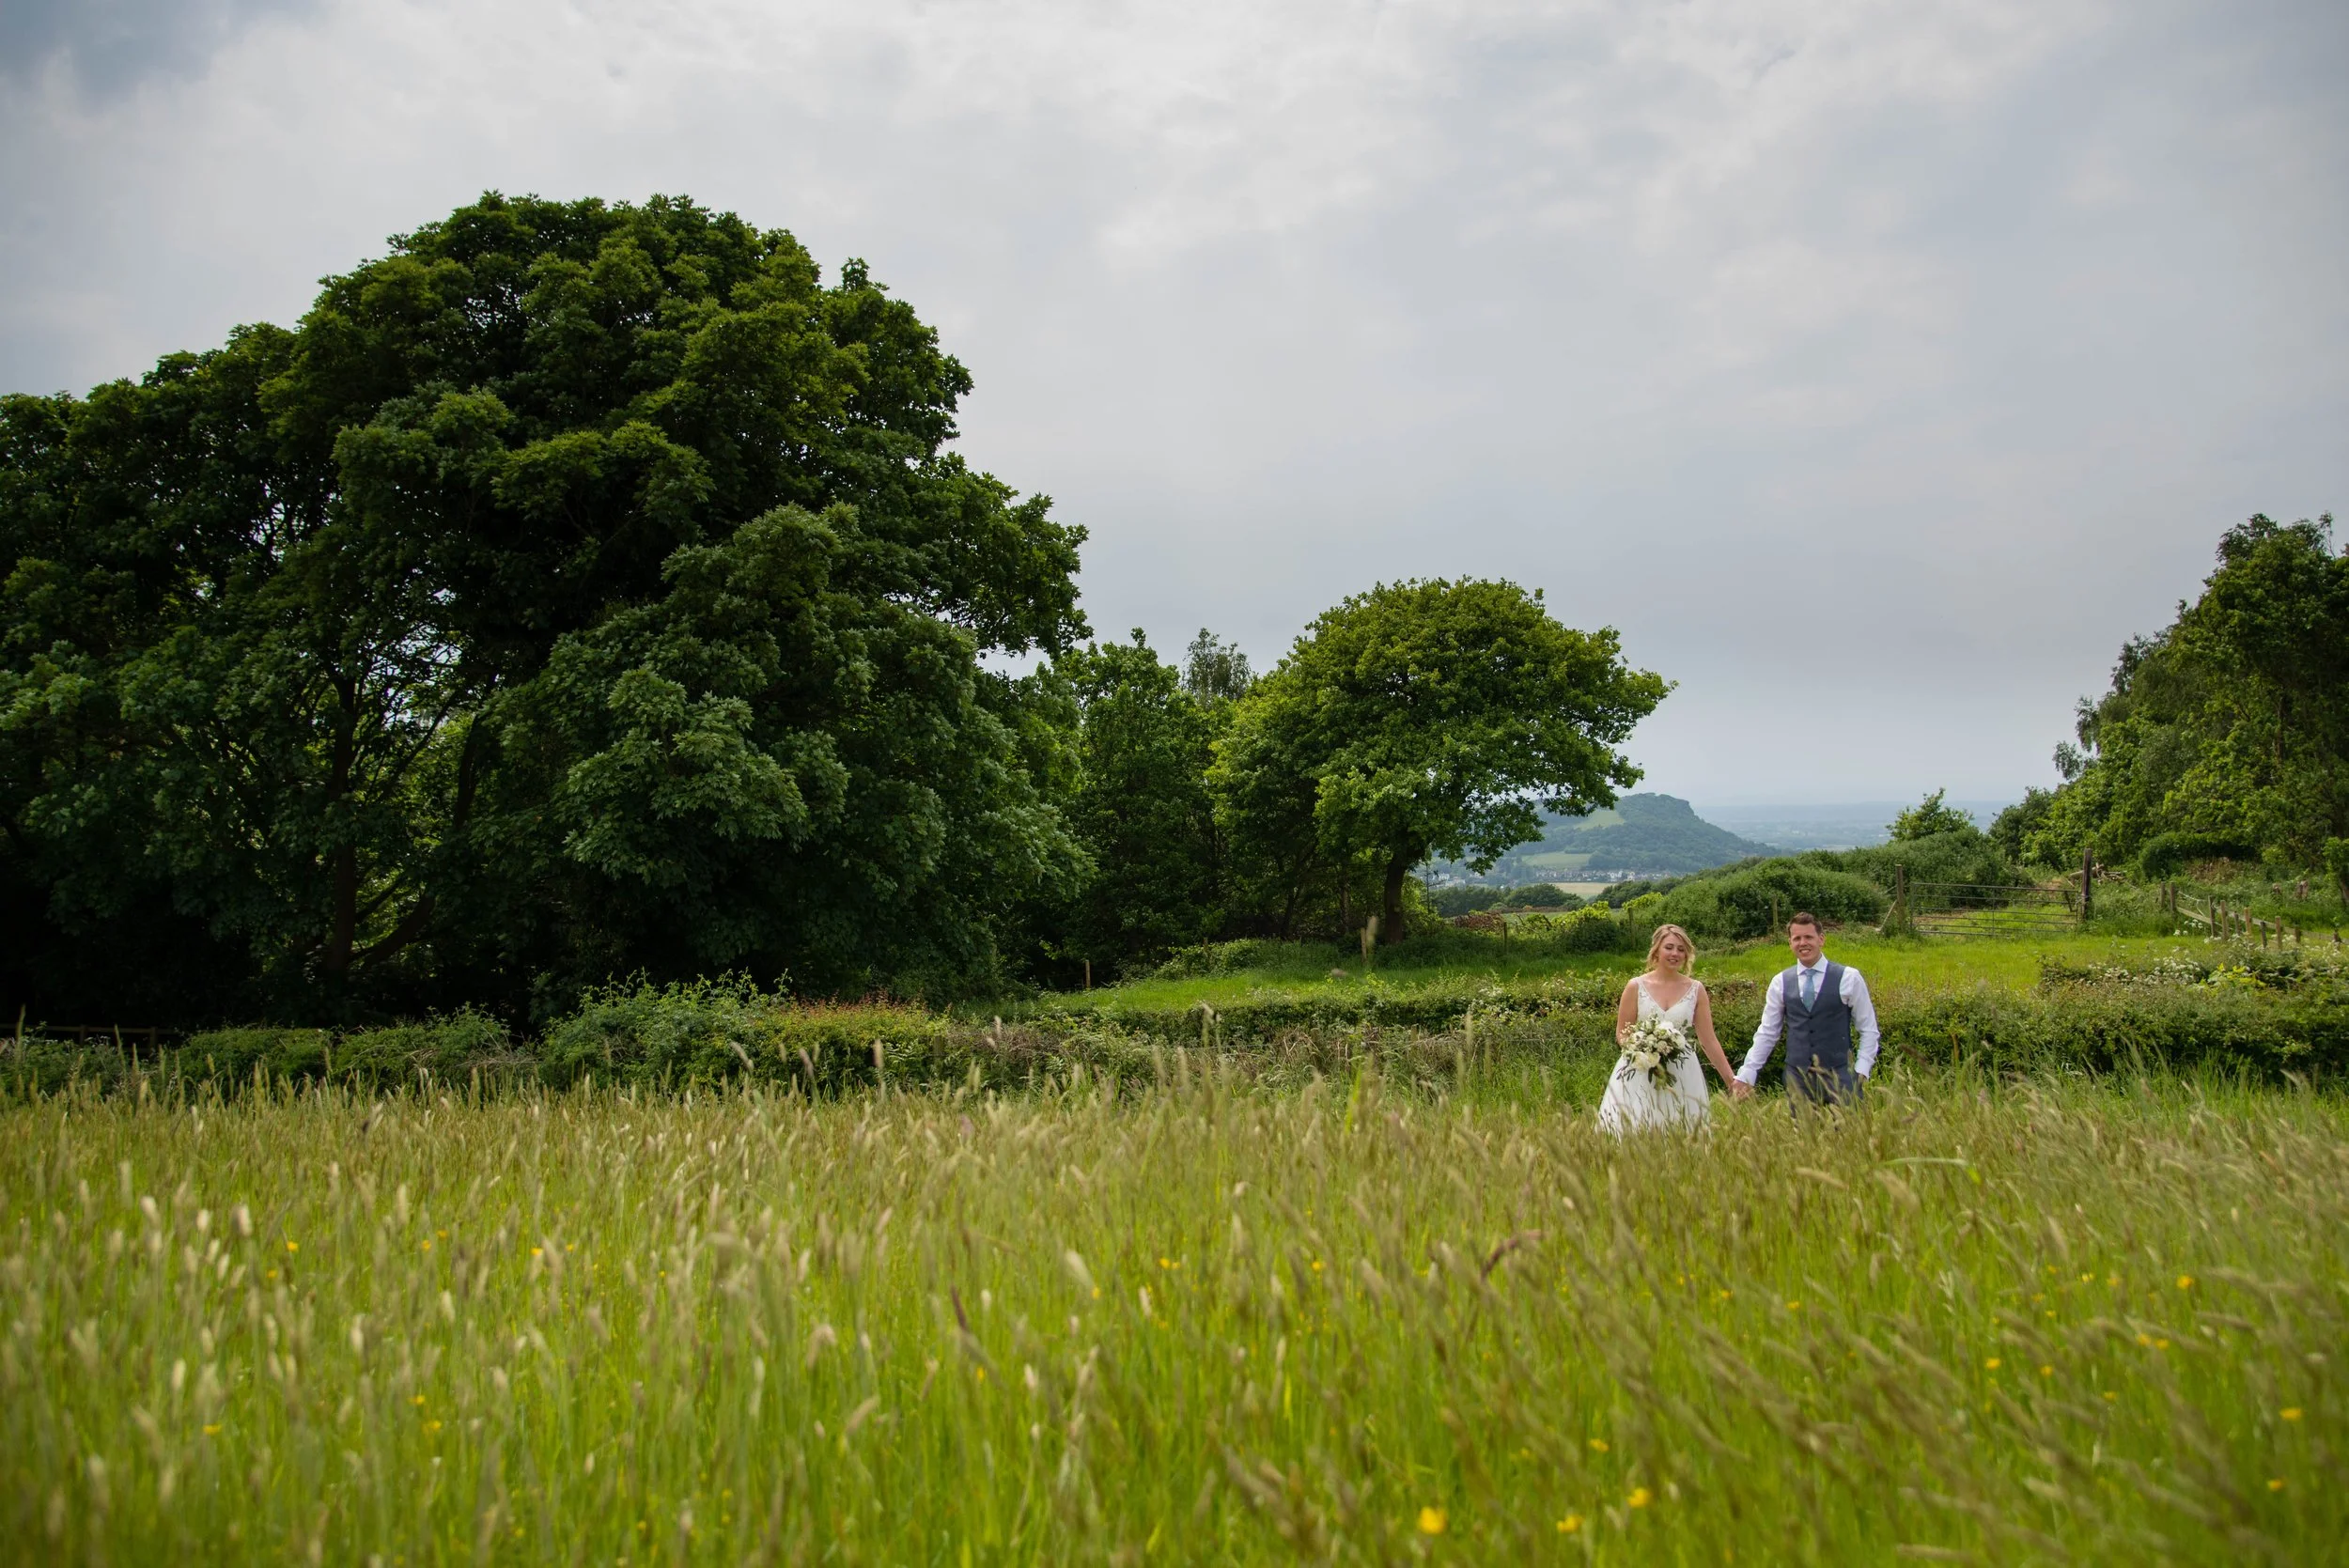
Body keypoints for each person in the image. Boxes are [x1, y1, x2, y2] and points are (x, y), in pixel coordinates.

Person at [1597, 924, 1750, 1134]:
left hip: (1682, 1071)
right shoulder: (1635, 986)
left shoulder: (1696, 989)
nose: (1675, 953)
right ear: (1656, 950)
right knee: (1637, 1130)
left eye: (1681, 949)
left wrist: (1731, 1080)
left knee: (1681, 1131)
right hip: (1641, 1071)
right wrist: (1643, 1049)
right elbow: (1622, 1033)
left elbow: (1708, 1039)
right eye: (1669, 947)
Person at [1737, 911, 1881, 1106]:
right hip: (1798, 1079)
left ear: (1821, 939)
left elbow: (1868, 1029)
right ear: (1790, 943)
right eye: (1797, 938)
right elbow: (1768, 1032)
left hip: (1841, 1076)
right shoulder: (1780, 982)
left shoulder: (1849, 977)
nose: (1802, 943)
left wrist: (1862, 1070)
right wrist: (1748, 1073)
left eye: (1808, 937)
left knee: (1848, 1135)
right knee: (1803, 1135)